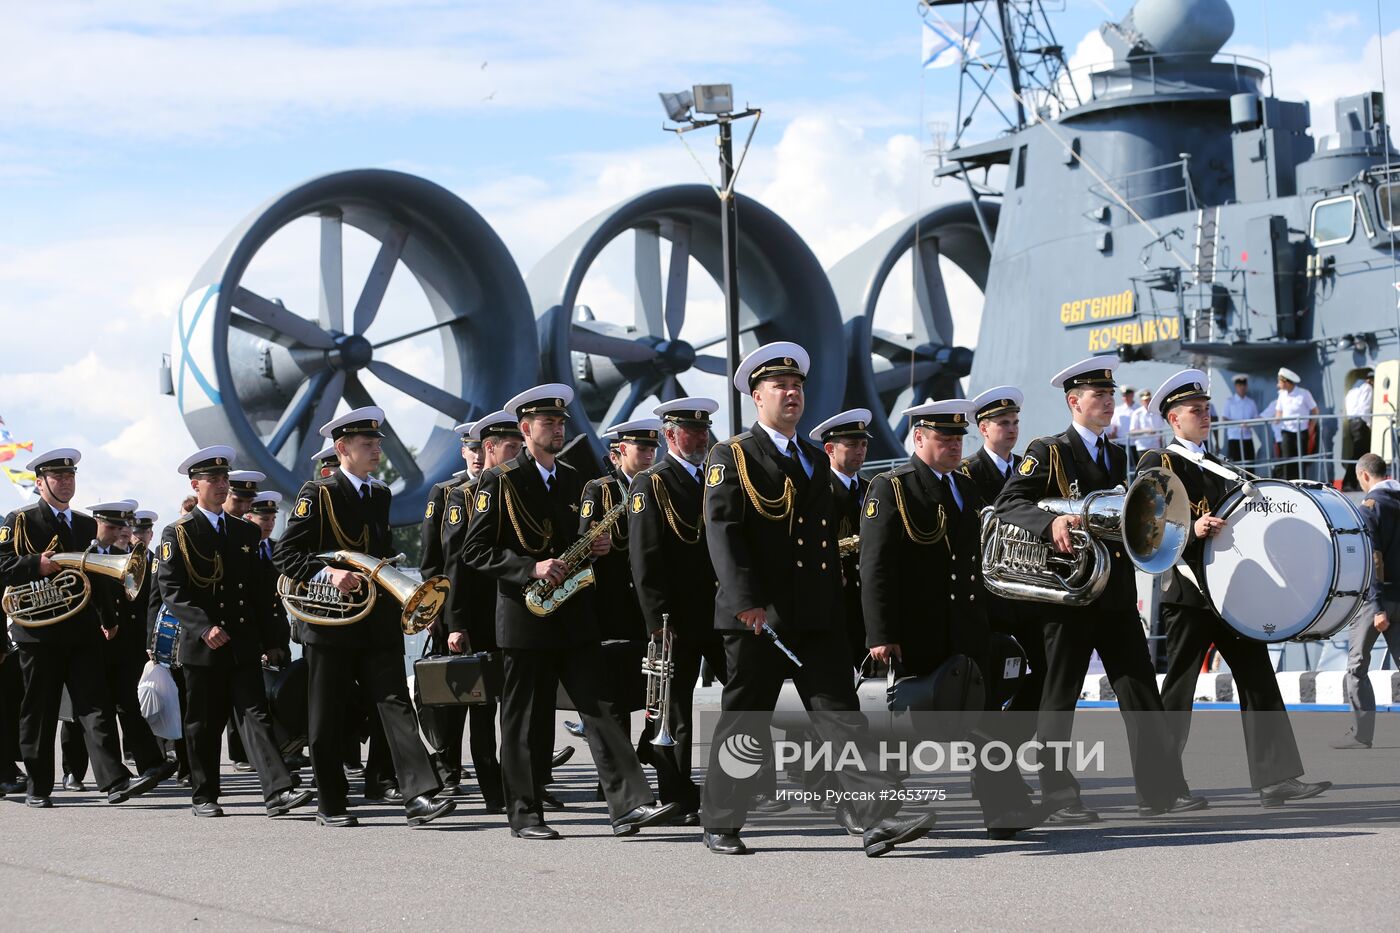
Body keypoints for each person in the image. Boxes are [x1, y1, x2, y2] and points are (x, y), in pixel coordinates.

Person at [699, 342, 933, 857]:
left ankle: (873, 820)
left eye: (798, 387)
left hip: (815, 615)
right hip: (759, 616)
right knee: (746, 719)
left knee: (841, 717)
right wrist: (745, 602)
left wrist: (840, 614)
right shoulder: (731, 455)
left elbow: (823, 544)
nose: (792, 394)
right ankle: (720, 819)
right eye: (781, 387)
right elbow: (723, 531)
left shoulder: (811, 457)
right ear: (756, 397)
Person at [459, 384, 676, 840]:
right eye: (548, 423)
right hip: (524, 616)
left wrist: (597, 547)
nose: (558, 429)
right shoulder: (498, 481)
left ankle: (629, 804)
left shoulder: (577, 477)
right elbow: (475, 551)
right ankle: (525, 814)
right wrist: (528, 567)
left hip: (574, 613)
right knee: (524, 718)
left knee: (600, 707)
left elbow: (581, 540)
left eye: (561, 423)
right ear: (525, 428)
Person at [994, 356, 1204, 822]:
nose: (1108, 403)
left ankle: (1160, 789)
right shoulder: (1047, 450)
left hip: (1113, 595)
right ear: (1074, 402)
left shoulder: (1116, 454)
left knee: (1140, 691)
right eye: (1098, 396)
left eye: (1111, 395)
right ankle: (1058, 794)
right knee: (1059, 696)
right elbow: (1009, 502)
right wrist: (1052, 522)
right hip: (1068, 596)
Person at [1140, 370, 1331, 807]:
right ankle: (1161, 788)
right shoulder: (1157, 464)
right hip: (1189, 594)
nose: (1205, 416)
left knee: (1258, 679)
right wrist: (1193, 530)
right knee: (1179, 692)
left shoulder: (1223, 465)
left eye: (1207, 409)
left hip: (1231, 593)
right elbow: (1147, 529)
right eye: (1195, 410)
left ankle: (1276, 778)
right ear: (1174, 418)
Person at [863, 398, 1043, 838]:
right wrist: (882, 634)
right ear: (919, 437)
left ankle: (1004, 809)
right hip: (917, 631)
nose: (954, 446)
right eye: (944, 438)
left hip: (966, 628)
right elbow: (875, 566)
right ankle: (879, 816)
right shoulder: (893, 487)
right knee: (903, 731)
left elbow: (974, 560)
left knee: (985, 723)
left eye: (959, 438)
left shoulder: (964, 487)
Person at [274, 407, 457, 829]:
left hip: (376, 620)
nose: (377, 450)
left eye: (377, 443)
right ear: (342, 449)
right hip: (330, 624)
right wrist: (329, 571)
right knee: (326, 715)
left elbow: (378, 554)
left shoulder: (380, 495)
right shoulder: (316, 493)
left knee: (396, 705)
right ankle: (331, 803)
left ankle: (419, 795)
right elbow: (286, 555)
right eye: (368, 444)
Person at [157, 447, 313, 819]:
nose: (222, 485)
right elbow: (172, 588)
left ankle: (277, 791)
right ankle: (204, 794)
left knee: (255, 715)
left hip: (242, 642)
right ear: (196, 485)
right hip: (203, 645)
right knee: (204, 723)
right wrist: (203, 626)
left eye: (225, 479)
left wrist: (273, 640)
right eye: (214, 480)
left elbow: (260, 592)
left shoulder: (245, 531)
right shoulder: (177, 532)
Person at [0, 448, 162, 807]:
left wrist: (108, 617)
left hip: (81, 630)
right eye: (58, 477)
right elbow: (2, 566)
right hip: (38, 632)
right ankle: (38, 786)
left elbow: (97, 577)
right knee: (39, 710)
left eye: (71, 476)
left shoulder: (85, 524)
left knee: (95, 705)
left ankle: (114, 780)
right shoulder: (19, 520)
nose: (66, 482)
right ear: (40, 483)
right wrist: (33, 565)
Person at [628, 397, 728, 824]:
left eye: (704, 429)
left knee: (747, 696)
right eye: (692, 430)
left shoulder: (715, 479)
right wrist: (656, 622)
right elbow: (644, 559)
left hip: (719, 613)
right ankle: (678, 795)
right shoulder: (652, 483)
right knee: (675, 712)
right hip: (676, 620)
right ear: (670, 435)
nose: (702, 436)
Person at [442, 409, 524, 812]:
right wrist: (454, 623)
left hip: (515, 610)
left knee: (517, 706)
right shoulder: (462, 496)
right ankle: (492, 790)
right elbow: (452, 566)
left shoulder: (518, 487)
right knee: (480, 709)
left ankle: (524, 785)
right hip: (478, 617)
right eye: (508, 448)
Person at [60, 501, 171, 793]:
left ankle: (150, 763)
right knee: (85, 712)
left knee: (129, 704)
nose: (119, 532)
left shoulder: (123, 556)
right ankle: (73, 771)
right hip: (88, 642)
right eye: (112, 526)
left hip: (120, 643)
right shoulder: (83, 553)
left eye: (122, 526)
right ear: (96, 523)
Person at [959, 386, 1046, 742]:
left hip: (1028, 590)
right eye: (1002, 423)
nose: (1011, 429)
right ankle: (991, 768)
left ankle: (1012, 742)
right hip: (988, 595)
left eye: (1014, 422)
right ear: (983, 428)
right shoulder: (967, 474)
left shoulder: (1029, 469)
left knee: (1045, 669)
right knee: (991, 679)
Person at [1334, 452, 1400, 749]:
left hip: (1378, 600)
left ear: (1363, 476)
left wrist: (1375, 604)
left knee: (1357, 667)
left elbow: (1373, 559)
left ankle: (1361, 735)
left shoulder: (1370, 507)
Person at [810, 408, 871, 667]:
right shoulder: (818, 491)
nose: (860, 450)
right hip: (835, 600)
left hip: (866, 603)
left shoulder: (872, 490)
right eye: (852, 444)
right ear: (830, 449)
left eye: (864, 444)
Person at [1273, 367, 1318, 481]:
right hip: (1286, 431)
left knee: (1300, 460)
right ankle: (1289, 483)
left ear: (1286, 382)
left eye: (1280, 381)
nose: (1278, 383)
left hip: (1301, 431)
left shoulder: (1304, 394)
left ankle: (1301, 483)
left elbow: (1315, 411)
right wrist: (1276, 419)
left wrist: (1311, 427)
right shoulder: (1282, 395)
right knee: (1287, 460)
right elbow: (1279, 411)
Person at [1344, 370, 1374, 491]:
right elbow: (1365, 408)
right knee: (1360, 456)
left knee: (1356, 454)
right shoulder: (1367, 388)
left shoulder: (1353, 389)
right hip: (1360, 424)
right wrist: (1369, 424)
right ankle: (1348, 482)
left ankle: (1353, 483)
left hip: (1352, 423)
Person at [1221, 375, 1260, 465]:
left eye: (1244, 385)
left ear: (1246, 386)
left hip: (1247, 438)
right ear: (1236, 387)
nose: (1242, 387)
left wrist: (1249, 423)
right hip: (1234, 438)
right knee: (1236, 466)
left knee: (1250, 465)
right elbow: (1224, 418)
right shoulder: (1229, 401)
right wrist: (1237, 424)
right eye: (1239, 385)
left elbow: (1256, 418)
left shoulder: (1251, 402)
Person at [1129, 388, 1165, 462]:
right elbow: (1132, 432)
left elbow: (1160, 431)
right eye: (1145, 400)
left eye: (1149, 399)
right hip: (1143, 447)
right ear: (1141, 401)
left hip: (1157, 447)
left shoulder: (1157, 412)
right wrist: (1146, 431)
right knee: (1146, 471)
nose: (1147, 402)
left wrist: (1162, 445)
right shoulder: (1137, 413)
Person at [1111, 386, 1138, 466]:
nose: (1125, 397)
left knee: (1138, 466)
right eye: (1123, 395)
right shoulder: (1118, 410)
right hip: (1121, 443)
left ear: (1132, 395)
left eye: (1127, 395)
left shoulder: (1139, 409)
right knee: (1122, 466)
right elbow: (1114, 425)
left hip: (1136, 443)